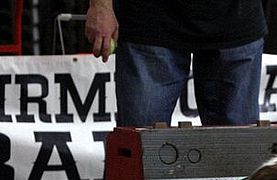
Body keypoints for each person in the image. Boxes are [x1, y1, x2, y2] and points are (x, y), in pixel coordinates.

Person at [85, 0, 267, 127]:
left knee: (240, 154)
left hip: (236, 19)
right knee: (142, 152)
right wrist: (100, 6)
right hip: (150, 21)